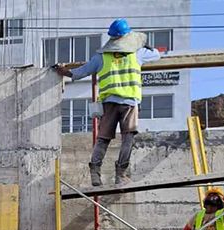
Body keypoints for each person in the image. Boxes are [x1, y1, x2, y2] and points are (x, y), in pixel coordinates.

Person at [55, 19, 161, 186]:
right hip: (129, 102)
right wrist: (143, 44)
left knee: (103, 138)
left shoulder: (100, 57)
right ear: (127, 37)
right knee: (128, 138)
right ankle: (121, 175)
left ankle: (95, 173)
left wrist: (64, 71)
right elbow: (157, 54)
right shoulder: (137, 54)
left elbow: (79, 73)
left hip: (108, 103)